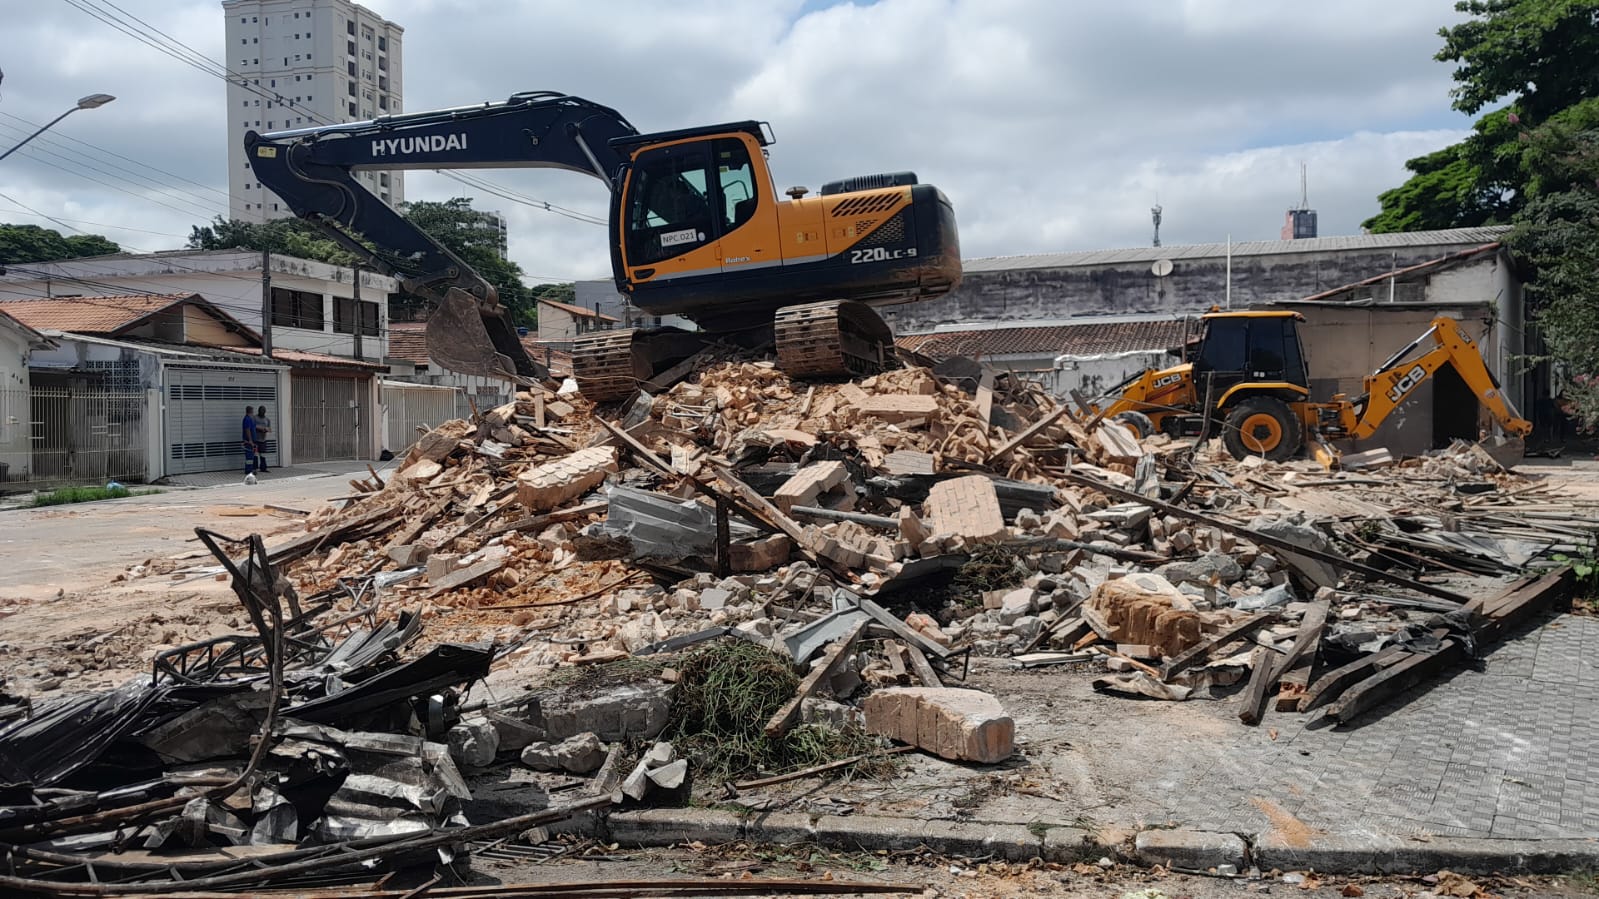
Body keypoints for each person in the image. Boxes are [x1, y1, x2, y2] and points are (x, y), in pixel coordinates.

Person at [254, 405, 272, 472]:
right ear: (258, 411)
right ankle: (255, 468)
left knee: (263, 454)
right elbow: (253, 426)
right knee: (255, 454)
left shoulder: (267, 419)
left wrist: (266, 429)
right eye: (261, 410)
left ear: (265, 412)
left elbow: (270, 429)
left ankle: (263, 468)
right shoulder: (255, 418)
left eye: (263, 411)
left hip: (263, 439)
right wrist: (260, 428)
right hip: (255, 439)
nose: (262, 412)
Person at [241, 406, 259, 475]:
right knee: (249, 457)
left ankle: (252, 469)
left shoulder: (251, 419)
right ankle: (248, 470)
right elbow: (247, 430)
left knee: (253, 456)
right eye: (252, 411)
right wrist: (250, 440)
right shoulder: (247, 419)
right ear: (251, 411)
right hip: (249, 441)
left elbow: (253, 428)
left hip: (253, 441)